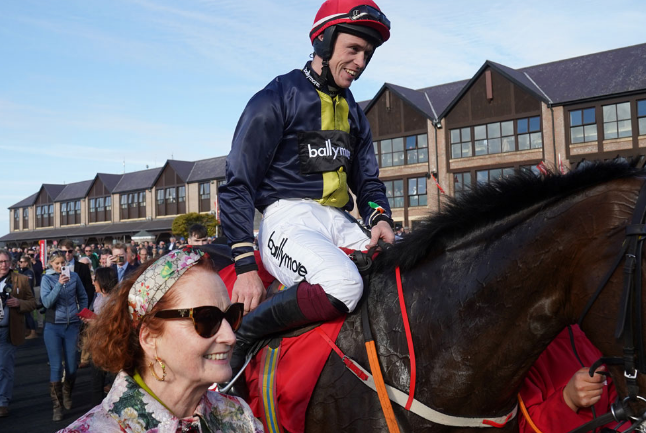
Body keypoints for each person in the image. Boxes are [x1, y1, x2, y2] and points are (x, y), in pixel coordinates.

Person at [219, 0, 395, 369]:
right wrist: (245, 266)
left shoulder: (355, 113)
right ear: (324, 42)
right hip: (286, 221)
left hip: (338, 221)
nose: (361, 62)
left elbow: (369, 183)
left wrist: (381, 219)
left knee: (405, 271)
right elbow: (238, 184)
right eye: (353, 49)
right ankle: (246, 334)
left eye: (368, 53)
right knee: (344, 284)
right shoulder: (275, 98)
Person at [60, 247, 264, 432]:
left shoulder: (238, 417)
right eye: (206, 319)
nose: (230, 337)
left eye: (232, 316)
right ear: (149, 338)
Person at [519, 325, 628, 432]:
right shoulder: (522, 346)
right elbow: (523, 426)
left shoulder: (592, 333)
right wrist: (568, 400)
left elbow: (619, 401)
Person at [41, 251, 89, 421]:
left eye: (63, 262)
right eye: (57, 263)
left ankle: (67, 392)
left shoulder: (74, 276)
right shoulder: (47, 279)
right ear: (51, 264)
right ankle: (57, 406)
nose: (61, 266)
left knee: (72, 367)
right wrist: (59, 285)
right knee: (56, 367)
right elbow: (46, 302)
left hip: (72, 326)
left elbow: (83, 296)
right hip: (53, 327)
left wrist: (81, 312)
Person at [0, 250, 36, 418]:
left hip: (9, 330)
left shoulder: (21, 280)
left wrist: (19, 303)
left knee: (5, 368)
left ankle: (2, 401)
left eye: (6, 261)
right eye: (0, 262)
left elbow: (32, 303)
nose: (4, 265)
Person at [87, 266, 117, 406]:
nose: (93, 283)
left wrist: (95, 321)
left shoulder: (115, 300)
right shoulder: (98, 298)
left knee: (115, 384)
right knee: (96, 384)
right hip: (97, 344)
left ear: (102, 281)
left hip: (111, 346)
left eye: (95, 280)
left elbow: (114, 323)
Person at [60, 240, 95, 309]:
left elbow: (89, 288)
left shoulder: (83, 267)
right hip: (61, 305)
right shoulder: (57, 267)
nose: (67, 254)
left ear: (73, 251)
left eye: (69, 251)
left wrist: (85, 306)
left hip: (78, 304)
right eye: (64, 252)